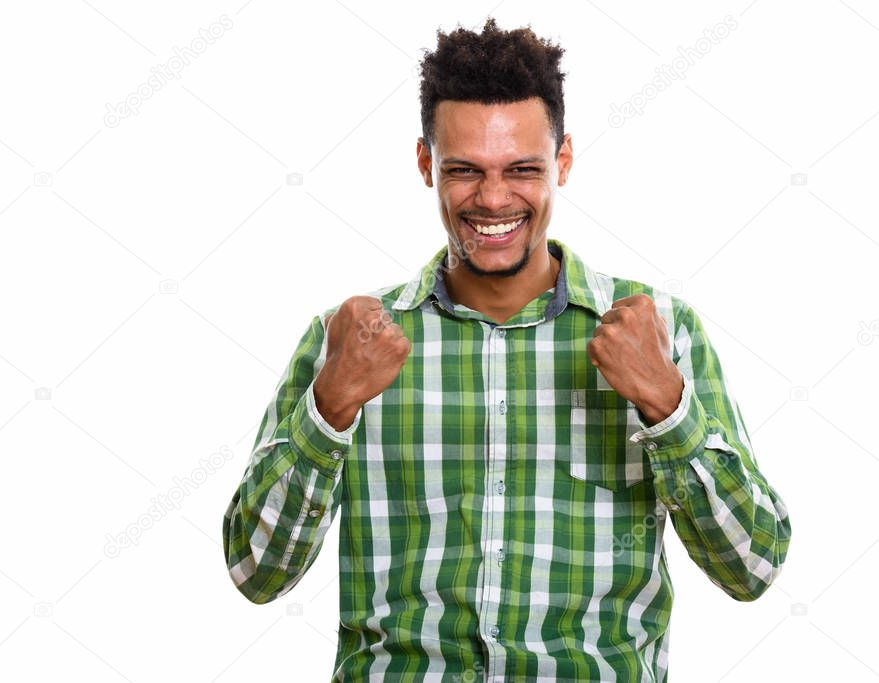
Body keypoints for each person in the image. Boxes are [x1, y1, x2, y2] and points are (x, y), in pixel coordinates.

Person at [222, 17, 790, 681]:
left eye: (521, 169)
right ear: (425, 163)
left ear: (564, 161)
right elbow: (255, 573)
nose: (492, 198)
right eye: (464, 170)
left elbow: (750, 567)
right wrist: (328, 409)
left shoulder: (661, 331)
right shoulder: (347, 338)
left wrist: (666, 404)